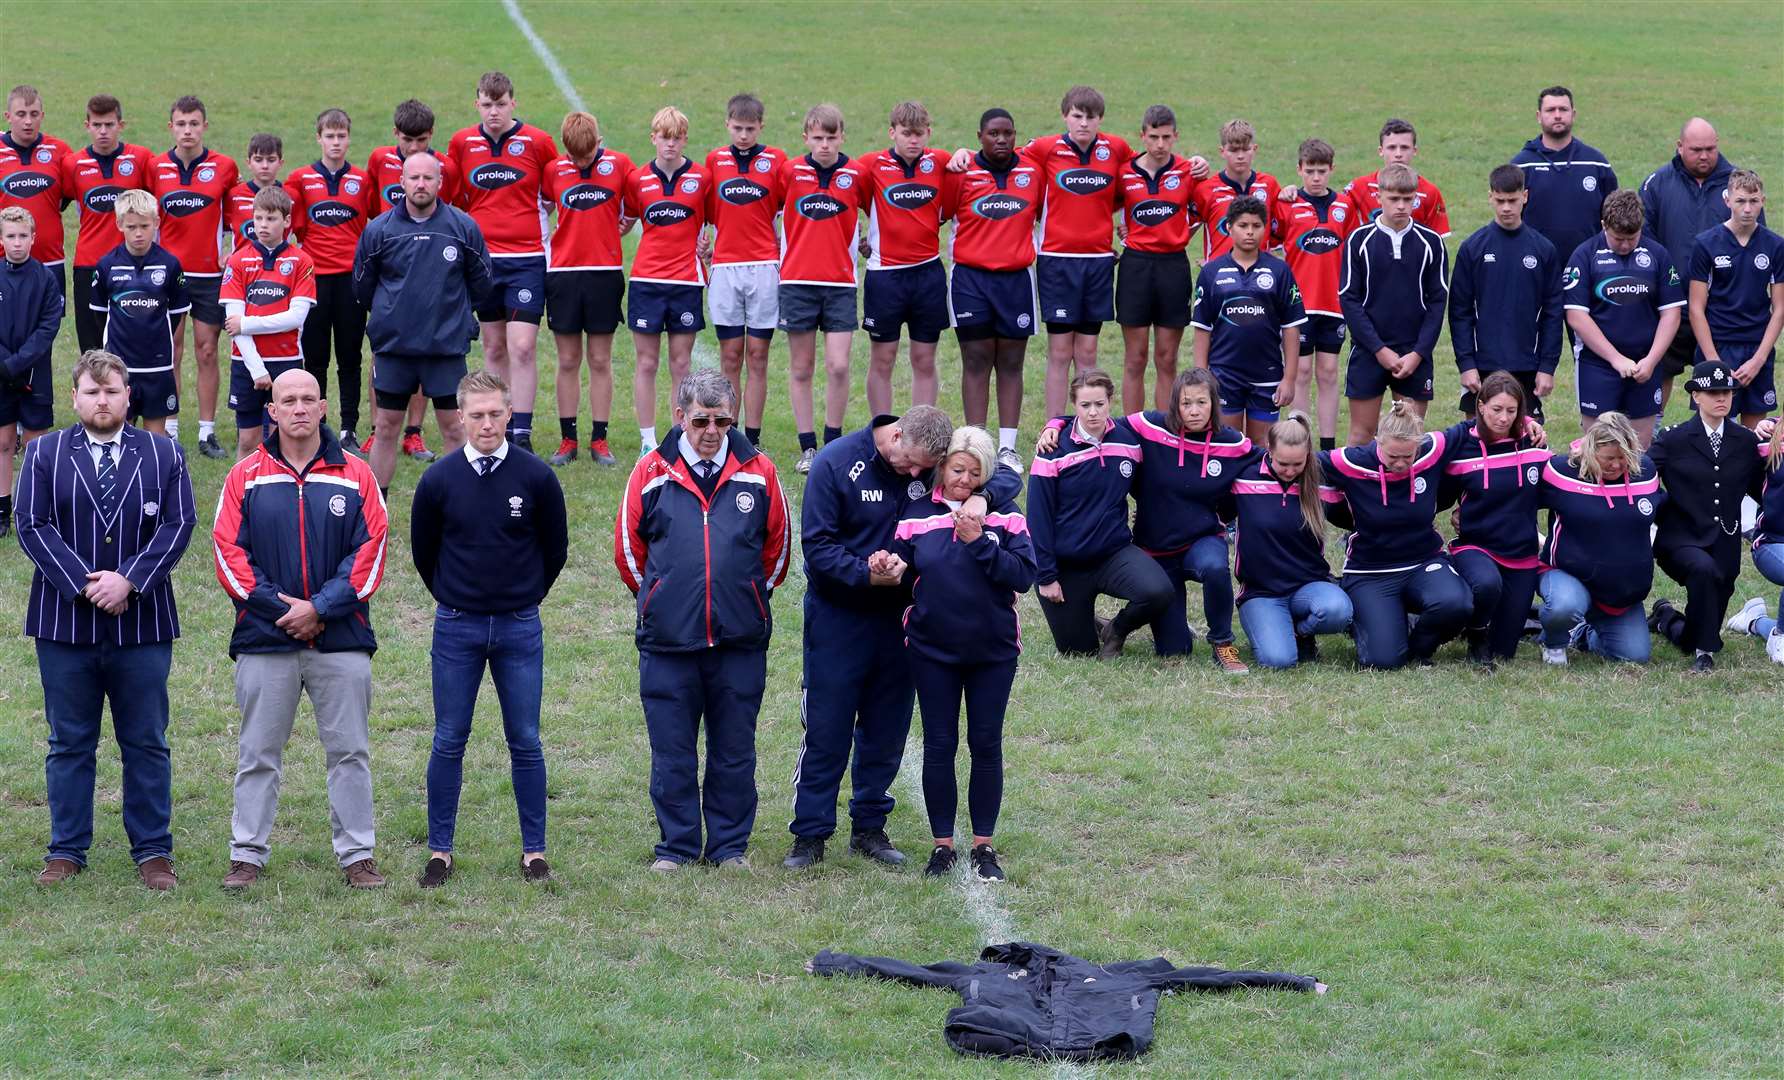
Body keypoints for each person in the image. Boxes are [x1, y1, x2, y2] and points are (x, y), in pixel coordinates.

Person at [785, 405, 1018, 871]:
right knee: (828, 727)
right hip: (839, 617)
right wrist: (865, 575)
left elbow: (1003, 475)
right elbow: (818, 546)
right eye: (909, 462)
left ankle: (869, 826)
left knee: (887, 727)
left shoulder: (927, 459)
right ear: (894, 435)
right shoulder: (834, 463)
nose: (915, 473)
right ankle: (810, 835)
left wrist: (984, 498)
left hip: (901, 621)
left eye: (923, 467)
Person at [17, 350, 195, 888]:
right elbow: (31, 523)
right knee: (69, 742)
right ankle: (66, 850)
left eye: (112, 391)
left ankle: (153, 851)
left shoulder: (164, 454)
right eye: (92, 392)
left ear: (127, 397)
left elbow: (179, 523)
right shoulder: (44, 453)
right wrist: (85, 584)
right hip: (64, 625)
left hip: (142, 624)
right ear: (75, 398)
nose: (102, 400)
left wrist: (130, 580)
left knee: (146, 740)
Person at [211, 369, 389, 889]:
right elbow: (229, 554)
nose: (298, 408)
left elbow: (371, 552)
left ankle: (357, 856)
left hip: (340, 638)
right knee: (258, 753)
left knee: (350, 752)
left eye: (308, 399)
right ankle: (247, 854)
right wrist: (282, 609)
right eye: (287, 400)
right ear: (272, 410)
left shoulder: (356, 475)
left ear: (324, 407)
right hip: (266, 639)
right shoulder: (244, 475)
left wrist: (320, 608)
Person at [615, 370, 791, 871]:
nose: (712, 431)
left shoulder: (760, 472)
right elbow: (630, 552)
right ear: (679, 417)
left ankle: (729, 847)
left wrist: (749, 597)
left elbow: (776, 550)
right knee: (672, 753)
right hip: (669, 642)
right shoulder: (649, 472)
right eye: (700, 421)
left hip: (739, 640)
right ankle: (676, 847)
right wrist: (659, 598)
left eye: (722, 420)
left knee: (734, 752)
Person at [411, 371, 568, 887]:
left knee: (525, 740)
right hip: (457, 626)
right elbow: (423, 552)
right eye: (476, 414)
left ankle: (534, 851)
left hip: (521, 627)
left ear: (510, 413)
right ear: (459, 417)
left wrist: (524, 597)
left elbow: (554, 550)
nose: (486, 423)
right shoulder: (437, 481)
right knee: (449, 738)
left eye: (495, 413)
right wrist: (456, 597)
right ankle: (440, 850)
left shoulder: (537, 477)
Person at [889, 425, 1035, 881]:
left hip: (993, 652)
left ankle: (984, 846)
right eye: (956, 469)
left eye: (974, 473)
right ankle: (942, 846)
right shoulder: (916, 513)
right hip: (932, 651)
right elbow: (898, 563)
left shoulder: (1005, 515)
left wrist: (980, 544)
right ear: (942, 467)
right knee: (939, 744)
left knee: (986, 745)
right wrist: (885, 565)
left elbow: (1024, 574)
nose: (963, 480)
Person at [1035, 367, 1252, 668]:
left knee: (1211, 569)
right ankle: (1097, 623)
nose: (1193, 410)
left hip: (1178, 546)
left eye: (1202, 402)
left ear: (1215, 403)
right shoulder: (1145, 428)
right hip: (1142, 553)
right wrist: (1055, 423)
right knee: (1155, 651)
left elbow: (1271, 464)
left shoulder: (1232, 443)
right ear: (1174, 403)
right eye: (1186, 402)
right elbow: (1093, 421)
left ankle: (1222, 643)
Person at [352, 151, 493, 495]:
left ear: (439, 182)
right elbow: (362, 287)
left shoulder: (462, 227)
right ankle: (378, 506)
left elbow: (482, 284)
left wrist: (454, 319)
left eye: (428, 178)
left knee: (454, 428)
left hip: (444, 350)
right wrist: (393, 316)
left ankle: (461, 502)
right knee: (386, 426)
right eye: (413, 178)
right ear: (401, 183)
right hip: (395, 350)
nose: (420, 184)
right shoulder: (379, 230)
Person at [449, 72, 558, 452]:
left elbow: (554, 194)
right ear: (476, 104)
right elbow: (456, 199)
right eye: (487, 103)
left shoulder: (539, 142)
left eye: (501, 103)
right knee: (494, 347)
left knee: (523, 345)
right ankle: (496, 424)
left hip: (527, 259)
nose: (494, 111)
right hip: (482, 262)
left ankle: (522, 432)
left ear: (514, 102)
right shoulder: (462, 143)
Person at [1029, 369, 1173, 658]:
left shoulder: (1129, 442)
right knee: (1078, 652)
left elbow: (1145, 490)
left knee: (1159, 592)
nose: (1093, 412)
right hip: (1065, 564)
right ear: (1074, 405)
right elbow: (1037, 518)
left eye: (1099, 404)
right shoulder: (1053, 449)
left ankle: (1115, 629)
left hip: (1112, 554)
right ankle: (1083, 620)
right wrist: (1046, 576)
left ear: (1111, 402)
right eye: (1085, 406)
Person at [1321, 401, 1472, 668]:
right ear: (1377, 441)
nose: (1401, 463)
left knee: (1456, 604)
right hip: (1371, 572)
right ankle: (1368, 619)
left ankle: (1416, 646)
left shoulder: (1432, 449)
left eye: (1408, 456)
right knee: (1383, 660)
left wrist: (1525, 425)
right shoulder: (1350, 461)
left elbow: (1473, 428)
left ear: (1419, 445)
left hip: (1424, 562)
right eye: (1393, 457)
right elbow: (1302, 460)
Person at [1640, 118, 1767, 410]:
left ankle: (1724, 447)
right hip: (1671, 306)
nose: (1704, 155)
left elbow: (1756, 241)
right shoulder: (1657, 183)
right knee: (1660, 373)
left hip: (1720, 310)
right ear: (1680, 146)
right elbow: (1644, 244)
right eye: (1696, 149)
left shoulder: (1737, 186)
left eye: (1710, 148)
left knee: (1719, 385)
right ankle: (1653, 438)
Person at [1646, 362, 1764, 672]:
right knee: (1703, 572)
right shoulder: (1673, 440)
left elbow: (1762, 490)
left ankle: (1666, 619)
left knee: (1697, 624)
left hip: (1724, 542)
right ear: (1696, 396)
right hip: (1679, 540)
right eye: (1713, 393)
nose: (1721, 398)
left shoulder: (1745, 441)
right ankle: (1705, 656)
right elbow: (1644, 478)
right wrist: (1658, 508)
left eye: (1726, 392)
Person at [944, 108, 1043, 472]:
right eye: (993, 134)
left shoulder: (1034, 172)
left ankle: (1007, 448)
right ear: (979, 135)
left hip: (1017, 280)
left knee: (1012, 362)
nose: (1001, 140)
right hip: (971, 279)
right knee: (976, 359)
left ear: (1016, 135)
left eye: (1007, 134)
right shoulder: (961, 171)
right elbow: (937, 213)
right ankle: (976, 443)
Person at [366, 99, 462, 462]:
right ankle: (380, 428)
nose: (415, 148)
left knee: (426, 348)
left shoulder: (444, 167)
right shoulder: (379, 160)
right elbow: (370, 207)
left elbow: (448, 217)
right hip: (389, 271)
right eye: (408, 140)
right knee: (382, 351)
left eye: (422, 140)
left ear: (431, 136)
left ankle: (414, 431)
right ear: (395, 135)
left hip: (431, 275)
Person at [775, 103, 865, 472]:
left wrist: (868, 242)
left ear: (842, 136)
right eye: (817, 138)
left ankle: (832, 442)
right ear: (806, 138)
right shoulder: (789, 172)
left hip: (840, 282)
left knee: (839, 365)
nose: (824, 145)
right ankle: (807, 446)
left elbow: (878, 212)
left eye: (831, 137)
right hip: (797, 282)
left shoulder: (858, 173)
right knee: (802, 367)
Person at [541, 110, 634, 468]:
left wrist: (617, 230)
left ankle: (600, 438)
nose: (582, 161)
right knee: (567, 360)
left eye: (588, 155)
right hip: (563, 275)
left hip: (604, 274)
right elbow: (543, 207)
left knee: (599, 359)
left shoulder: (620, 165)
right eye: (575, 157)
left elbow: (633, 209)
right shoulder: (553, 171)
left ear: (599, 142)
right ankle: (568, 439)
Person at [1438, 371, 1549, 666]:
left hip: (1522, 554)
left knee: (1503, 653)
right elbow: (1436, 497)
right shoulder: (1462, 444)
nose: (1503, 418)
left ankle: (1487, 623)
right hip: (1476, 547)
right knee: (1486, 584)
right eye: (1496, 409)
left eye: (1511, 411)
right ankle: (1474, 630)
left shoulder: (1534, 443)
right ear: (1481, 405)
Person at [1223, 413, 1352, 668]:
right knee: (1278, 660)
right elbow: (1214, 511)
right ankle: (1274, 628)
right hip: (1261, 592)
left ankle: (1301, 633)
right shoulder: (1244, 478)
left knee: (1339, 611)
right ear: (1269, 450)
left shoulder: (1320, 484)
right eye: (1283, 464)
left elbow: (1356, 519)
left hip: (1309, 586)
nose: (1290, 471)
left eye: (1298, 464)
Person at [1536, 412, 1663, 665]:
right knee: (1564, 607)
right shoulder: (1560, 471)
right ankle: (1554, 643)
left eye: (1623, 457)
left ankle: (1580, 633)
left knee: (1635, 656)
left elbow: (1665, 511)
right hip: (1568, 576)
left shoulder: (1646, 472)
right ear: (1591, 449)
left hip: (1619, 592)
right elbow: (1518, 503)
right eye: (1608, 458)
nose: (1616, 465)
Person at [149, 95, 237, 456]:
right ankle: (169, 428)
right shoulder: (155, 167)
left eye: (194, 123)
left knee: (206, 351)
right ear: (171, 127)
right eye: (181, 124)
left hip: (208, 276)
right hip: (167, 274)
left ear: (204, 126)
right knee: (169, 350)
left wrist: (230, 245)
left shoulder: (225, 167)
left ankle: (206, 432)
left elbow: (236, 215)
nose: (188, 130)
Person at [1563, 189, 1685, 447]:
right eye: (1618, 238)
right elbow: (1576, 316)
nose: (1626, 245)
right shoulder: (1584, 256)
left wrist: (1651, 360)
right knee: (1598, 447)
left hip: (1645, 365)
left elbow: (1672, 313)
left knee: (1641, 448)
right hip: (1597, 365)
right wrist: (1615, 358)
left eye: (1632, 237)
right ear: (1604, 224)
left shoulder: (1657, 256)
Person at [1338, 163, 1449, 444]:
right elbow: (1349, 299)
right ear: (1379, 196)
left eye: (1407, 199)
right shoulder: (1358, 240)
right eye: (1394, 199)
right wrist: (1379, 349)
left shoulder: (1431, 243)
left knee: (1409, 437)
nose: (1401, 206)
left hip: (1414, 354)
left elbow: (1437, 302)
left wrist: (1419, 353)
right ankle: (1358, 488)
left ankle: (1411, 489)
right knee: (1362, 435)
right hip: (1369, 352)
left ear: (1416, 198)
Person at [621, 106, 709, 459]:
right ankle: (647, 441)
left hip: (686, 282)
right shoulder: (637, 179)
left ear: (685, 140)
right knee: (646, 363)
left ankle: (680, 435)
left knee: (681, 363)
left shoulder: (702, 178)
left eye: (677, 138)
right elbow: (625, 221)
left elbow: (715, 221)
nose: (670, 144)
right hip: (646, 280)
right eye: (663, 137)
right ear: (653, 138)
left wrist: (708, 248)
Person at [284, 109, 375, 450]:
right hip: (314, 282)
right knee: (316, 357)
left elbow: (371, 225)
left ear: (349, 138)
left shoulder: (363, 180)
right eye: (330, 136)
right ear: (318, 138)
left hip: (351, 281)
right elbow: (295, 228)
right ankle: (318, 425)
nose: (336, 143)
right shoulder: (300, 179)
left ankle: (349, 427)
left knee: (350, 356)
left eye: (341, 136)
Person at [701, 93, 788, 446]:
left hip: (765, 267)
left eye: (750, 129)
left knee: (758, 355)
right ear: (727, 125)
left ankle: (752, 436)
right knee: (730, 355)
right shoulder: (714, 161)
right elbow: (705, 213)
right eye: (737, 128)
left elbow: (787, 208)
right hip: (725, 268)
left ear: (760, 127)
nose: (743, 135)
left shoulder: (776, 161)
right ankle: (729, 432)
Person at [857, 101, 951, 416]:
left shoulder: (940, 162)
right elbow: (842, 200)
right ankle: (881, 430)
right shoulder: (871, 165)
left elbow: (950, 207)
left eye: (919, 134)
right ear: (892, 132)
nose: (913, 140)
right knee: (883, 358)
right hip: (886, 276)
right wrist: (857, 236)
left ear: (929, 133)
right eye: (906, 134)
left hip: (928, 274)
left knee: (924, 358)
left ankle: (921, 431)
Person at [1449, 165, 1563, 420]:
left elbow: (1552, 314)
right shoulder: (1473, 248)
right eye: (1500, 200)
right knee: (1477, 445)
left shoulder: (1544, 250)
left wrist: (1547, 367)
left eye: (1512, 200)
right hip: (1482, 366)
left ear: (1525, 196)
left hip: (1528, 366)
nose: (1506, 208)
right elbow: (1460, 312)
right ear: (1490, 197)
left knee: (1527, 444)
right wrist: (1466, 364)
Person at [1191, 196, 1306, 442]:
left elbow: (1291, 328)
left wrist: (1289, 378)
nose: (1250, 232)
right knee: (1228, 444)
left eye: (1256, 226)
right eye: (1243, 226)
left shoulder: (1280, 271)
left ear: (1265, 229)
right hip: (1224, 373)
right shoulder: (1212, 272)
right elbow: (1202, 329)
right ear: (1229, 227)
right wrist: (1202, 377)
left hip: (1267, 373)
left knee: (1261, 449)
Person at [220, 186, 316, 459]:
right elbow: (232, 321)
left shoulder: (301, 261)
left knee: (284, 440)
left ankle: (283, 498)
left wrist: (247, 324)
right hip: (247, 364)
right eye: (258, 218)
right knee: (248, 441)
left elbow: (296, 318)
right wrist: (257, 369)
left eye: (271, 218)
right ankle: (243, 497)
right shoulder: (238, 260)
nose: (263, 225)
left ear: (286, 221)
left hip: (287, 361)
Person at [1114, 105, 1198, 414]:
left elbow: (1209, 208)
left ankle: (1164, 430)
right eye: (1153, 137)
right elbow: (1098, 206)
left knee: (1166, 357)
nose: (1160, 145)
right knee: (1135, 357)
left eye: (1166, 137)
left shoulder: (1189, 170)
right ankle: (1133, 429)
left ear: (1175, 136)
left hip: (1173, 266)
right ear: (1142, 136)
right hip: (1135, 266)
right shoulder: (1124, 172)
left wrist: (1187, 233)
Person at [1273, 138, 1356, 450]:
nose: (1316, 177)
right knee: (1301, 371)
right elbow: (1267, 239)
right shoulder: (1287, 204)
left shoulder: (1345, 206)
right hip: (1298, 304)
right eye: (1310, 171)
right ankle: (1299, 442)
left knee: (1329, 372)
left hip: (1334, 303)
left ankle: (1328, 446)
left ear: (1332, 170)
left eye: (1322, 171)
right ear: (1299, 170)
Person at [1686, 169, 1784, 427]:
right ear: (1727, 200)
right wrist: (1714, 360)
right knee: (1713, 431)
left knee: (1757, 436)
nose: (1748, 209)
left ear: (1763, 201)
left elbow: (1780, 307)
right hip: (1718, 345)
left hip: (1756, 348)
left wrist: (1759, 359)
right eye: (1741, 201)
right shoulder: (1705, 244)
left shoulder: (1775, 246)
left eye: (1754, 201)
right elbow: (1696, 308)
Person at [89, 189, 190, 434]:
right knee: (120, 437)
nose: (138, 233)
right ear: (119, 224)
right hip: (120, 368)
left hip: (157, 368)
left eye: (145, 226)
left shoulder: (170, 264)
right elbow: (100, 313)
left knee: (155, 442)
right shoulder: (106, 265)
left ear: (156, 223)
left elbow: (176, 314)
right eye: (131, 226)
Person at [61, 94, 150, 353]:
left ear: (120, 125)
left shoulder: (141, 159)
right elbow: (55, 202)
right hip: (88, 264)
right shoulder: (72, 164)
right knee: (91, 346)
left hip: (132, 263)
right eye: (97, 125)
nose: (103, 131)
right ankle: (92, 393)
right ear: (86, 125)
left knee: (132, 342)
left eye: (109, 125)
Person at [0, 206, 64, 537]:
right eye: (10, 236)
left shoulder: (46, 278)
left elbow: (48, 326)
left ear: (33, 238)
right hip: (0, 374)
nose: (17, 243)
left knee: (35, 443)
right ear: (1, 239)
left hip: (33, 373)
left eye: (23, 236)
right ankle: (2, 509)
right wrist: (4, 363)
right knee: (3, 440)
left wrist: (17, 363)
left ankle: (34, 508)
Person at [1512, 86, 1618, 266]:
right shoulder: (1521, 165)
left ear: (1573, 114)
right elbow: (1508, 217)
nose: (1558, 115)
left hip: (1588, 267)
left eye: (1563, 109)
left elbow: (1614, 218)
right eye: (1550, 110)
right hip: (1536, 265)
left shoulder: (1596, 163)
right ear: (1539, 116)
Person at [0, 85, 71, 294]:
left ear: (42, 115)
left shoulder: (60, 151)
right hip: (4, 261)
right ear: (8, 116)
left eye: (34, 114)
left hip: (49, 260)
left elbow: (70, 194)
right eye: (21, 114)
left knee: (49, 323)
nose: (28, 121)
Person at [1725, 419, 1784, 662]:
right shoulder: (1771, 436)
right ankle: (1779, 638)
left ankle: (1754, 620)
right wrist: (1765, 425)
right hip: (1772, 542)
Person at [1189, 119, 1281, 263]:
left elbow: (1280, 232)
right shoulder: (1206, 189)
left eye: (1245, 149)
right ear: (1222, 151)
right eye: (1233, 150)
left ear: (1254, 149)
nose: (1240, 156)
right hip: (1220, 277)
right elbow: (1183, 232)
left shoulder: (1269, 185)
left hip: (1260, 276)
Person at [1341, 118, 1450, 237]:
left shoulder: (1430, 192)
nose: (1398, 154)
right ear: (1381, 150)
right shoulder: (1358, 188)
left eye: (1404, 147)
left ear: (1414, 151)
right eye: (1392, 147)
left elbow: (1436, 241)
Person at [225, 134, 284, 252]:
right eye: (258, 160)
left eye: (271, 160)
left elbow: (302, 236)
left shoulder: (291, 196)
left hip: (278, 268)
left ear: (281, 163)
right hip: (241, 268)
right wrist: (223, 255)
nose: (265, 166)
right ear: (248, 163)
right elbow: (219, 229)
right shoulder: (233, 196)